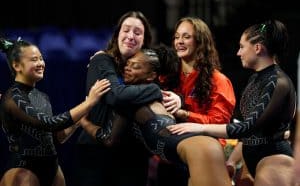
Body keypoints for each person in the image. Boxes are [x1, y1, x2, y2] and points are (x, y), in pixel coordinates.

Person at [80, 45, 233, 186]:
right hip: (198, 149)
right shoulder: (160, 94)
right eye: (128, 64)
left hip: (198, 150)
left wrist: (84, 122)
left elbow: (109, 139)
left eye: (136, 66)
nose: (128, 68)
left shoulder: (136, 98)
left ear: (151, 75)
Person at [168, 19, 296, 186]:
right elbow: (250, 134)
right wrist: (232, 162)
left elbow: (247, 127)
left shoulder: (278, 82)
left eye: (242, 47)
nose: (238, 53)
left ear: (257, 48)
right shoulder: (256, 78)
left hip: (275, 163)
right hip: (257, 161)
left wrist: (199, 126)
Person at [75, 11, 173, 186]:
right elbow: (116, 96)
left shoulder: (148, 68)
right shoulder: (102, 60)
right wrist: (155, 90)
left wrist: (176, 99)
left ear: (144, 40)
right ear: (117, 34)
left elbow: (168, 94)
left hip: (133, 157)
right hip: (97, 155)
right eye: (126, 30)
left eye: (137, 33)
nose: (130, 36)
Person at [0, 37, 111, 186]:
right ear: (17, 65)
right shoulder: (12, 98)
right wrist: (88, 102)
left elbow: (57, 137)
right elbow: (49, 124)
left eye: (41, 58)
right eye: (34, 60)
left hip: (52, 167)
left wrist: (80, 119)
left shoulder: (42, 96)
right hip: (24, 168)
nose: (40, 63)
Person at [156, 16, 237, 186]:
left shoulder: (218, 80)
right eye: (177, 37)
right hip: (169, 158)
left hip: (204, 158)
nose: (179, 41)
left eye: (186, 37)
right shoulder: (165, 77)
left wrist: (184, 114)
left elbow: (220, 122)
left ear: (200, 42)